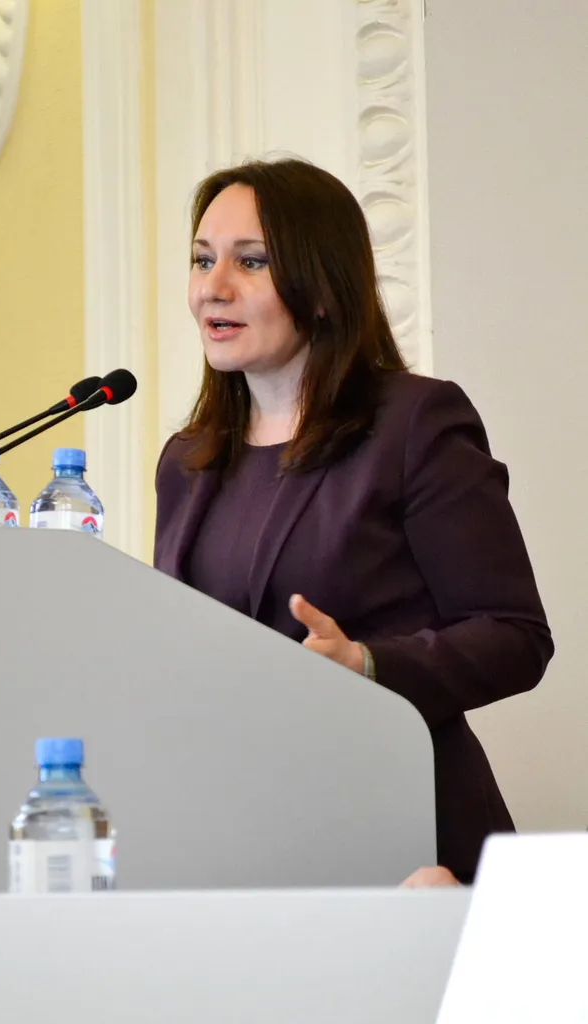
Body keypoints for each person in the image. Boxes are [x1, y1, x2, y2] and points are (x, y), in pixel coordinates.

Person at [153, 157, 554, 883]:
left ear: (321, 288)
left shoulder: (413, 425)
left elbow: (514, 636)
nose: (213, 286)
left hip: (407, 834)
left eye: (251, 261)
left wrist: (366, 665)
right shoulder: (189, 461)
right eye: (202, 259)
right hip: (245, 842)